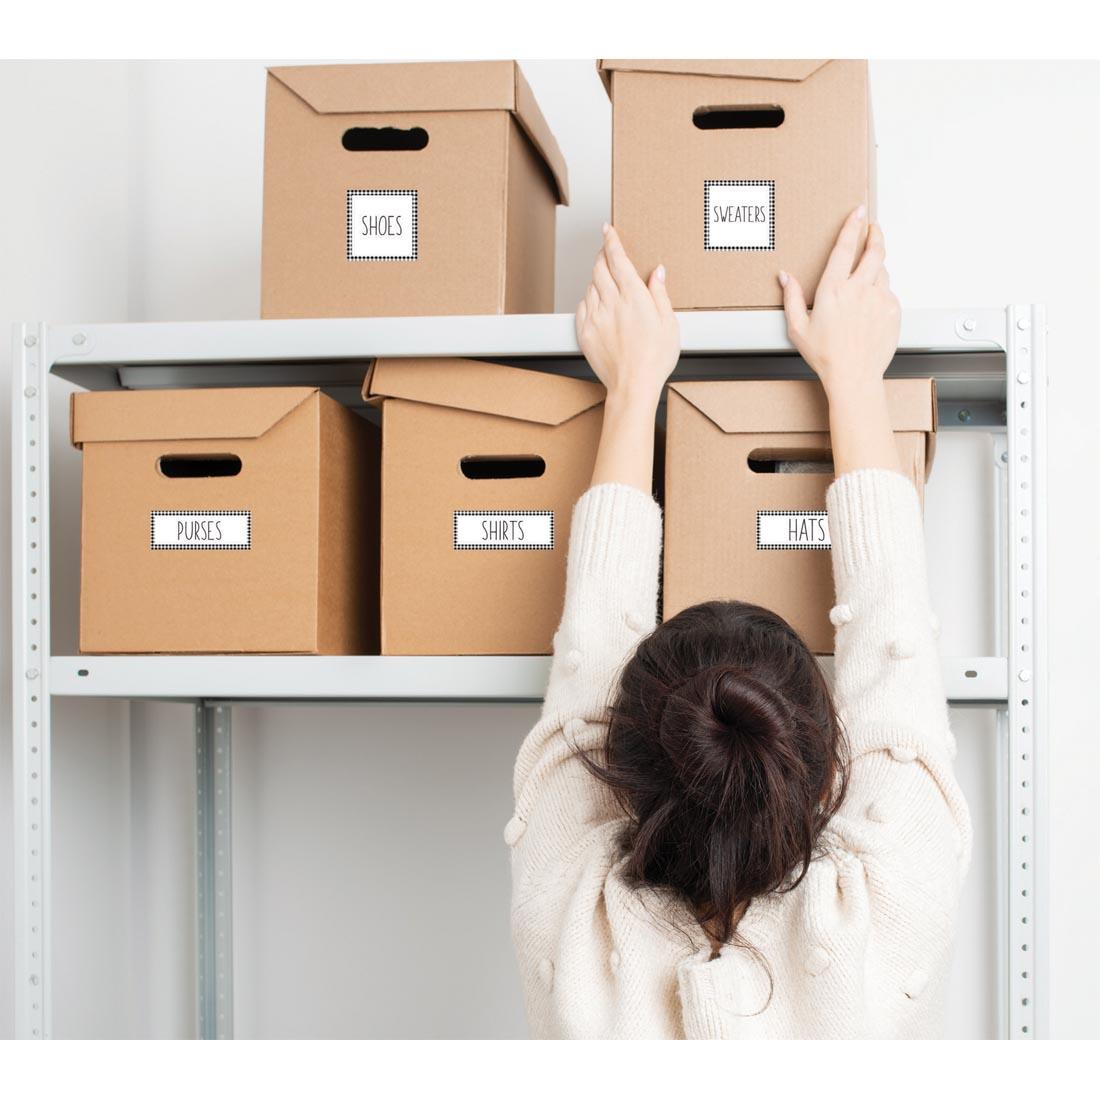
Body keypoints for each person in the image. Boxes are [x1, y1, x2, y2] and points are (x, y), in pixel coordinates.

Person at [505, 207, 973, 1039]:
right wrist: (856, 378)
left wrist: (633, 387)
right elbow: (893, 643)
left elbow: (584, 673)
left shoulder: (573, 925)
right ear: (832, 761)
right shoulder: (885, 920)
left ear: (619, 763)